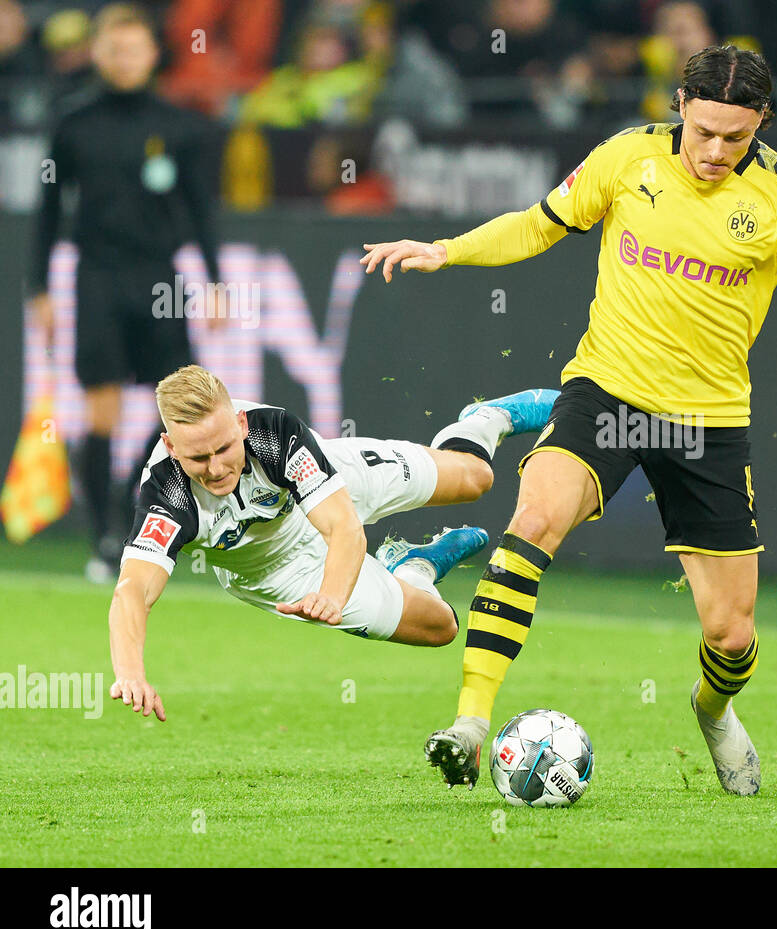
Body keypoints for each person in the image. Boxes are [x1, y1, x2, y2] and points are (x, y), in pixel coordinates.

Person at [360, 44, 777, 796]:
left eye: (737, 137)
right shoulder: (628, 157)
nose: (717, 151)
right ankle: (468, 720)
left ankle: (712, 710)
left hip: (707, 422)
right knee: (533, 518)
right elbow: (538, 224)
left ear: (762, 123)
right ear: (679, 107)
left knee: (732, 635)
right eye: (704, 132)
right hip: (608, 392)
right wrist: (445, 250)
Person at [108, 364, 558, 723]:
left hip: (334, 486)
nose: (215, 467)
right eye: (197, 458)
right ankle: (412, 567)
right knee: (441, 627)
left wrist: (333, 595)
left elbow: (342, 528)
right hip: (278, 573)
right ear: (170, 444)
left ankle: (486, 419)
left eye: (224, 448)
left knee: (474, 478)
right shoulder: (166, 492)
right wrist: (130, 674)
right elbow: (134, 590)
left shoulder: (274, 433)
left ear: (240, 422)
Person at [26, 3, 223, 584]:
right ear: (99, 54)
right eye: (113, 49)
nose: (124, 59)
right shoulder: (73, 123)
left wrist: (212, 279)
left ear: (152, 54)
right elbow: (47, 210)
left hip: (160, 276)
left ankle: (135, 509)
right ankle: (104, 536)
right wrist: (38, 286)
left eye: (134, 49)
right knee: (101, 407)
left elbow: (199, 210)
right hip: (97, 277)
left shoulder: (180, 126)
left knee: (175, 410)